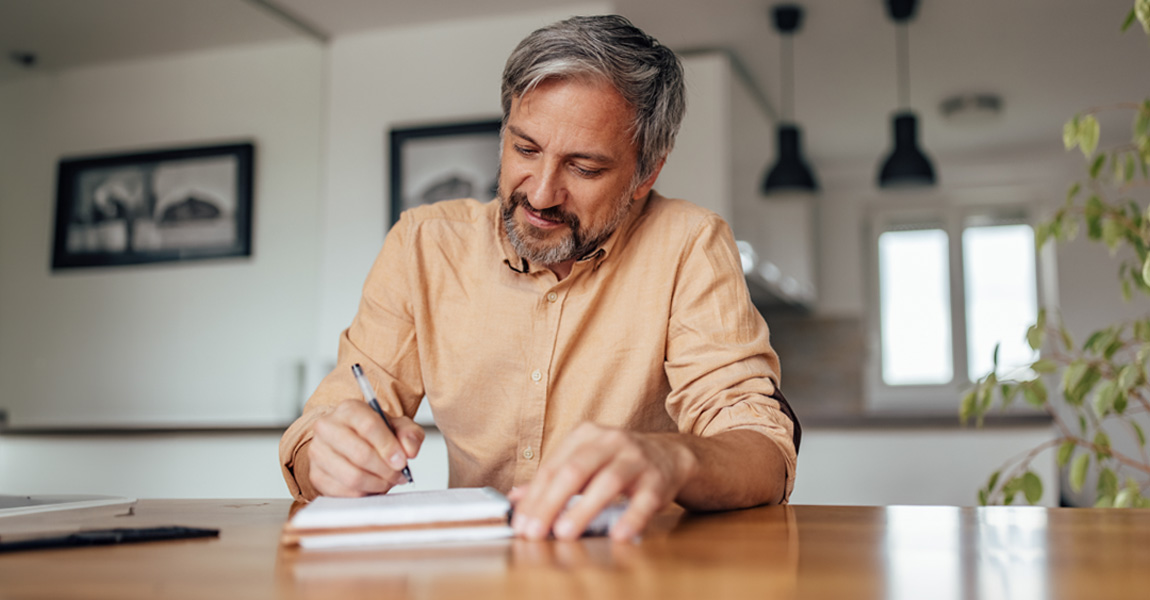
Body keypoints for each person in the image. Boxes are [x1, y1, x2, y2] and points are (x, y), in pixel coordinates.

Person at [279, 14, 800, 542]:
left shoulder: (689, 244)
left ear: (647, 173)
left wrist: (673, 459)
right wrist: (326, 455)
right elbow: (316, 431)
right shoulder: (423, 245)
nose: (543, 193)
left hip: (633, 569)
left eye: (585, 167)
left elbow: (762, 449)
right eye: (525, 149)